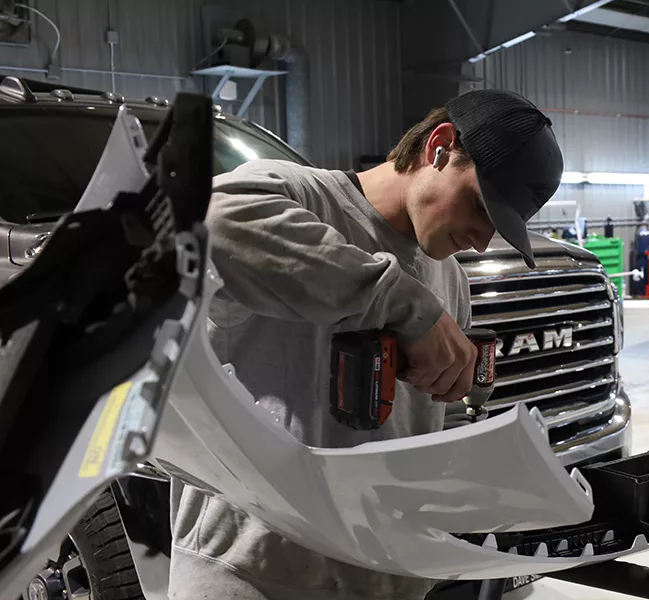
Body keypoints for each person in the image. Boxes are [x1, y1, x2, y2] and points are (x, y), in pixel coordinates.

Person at [167, 89, 564, 600]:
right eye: (480, 207)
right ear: (439, 147)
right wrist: (399, 303)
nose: (483, 240)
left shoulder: (451, 283)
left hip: (380, 579)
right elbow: (203, 222)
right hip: (252, 572)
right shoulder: (299, 195)